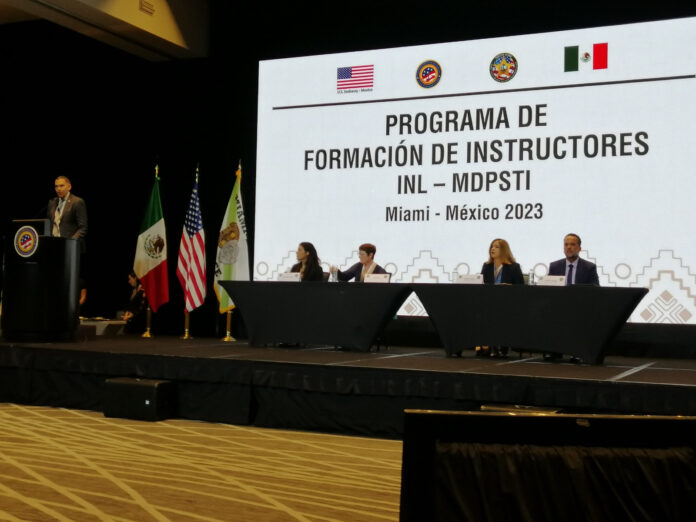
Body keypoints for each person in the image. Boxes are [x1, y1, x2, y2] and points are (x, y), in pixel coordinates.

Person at [544, 233, 600, 363]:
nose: (569, 247)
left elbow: (595, 288)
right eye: (566, 244)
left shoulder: (589, 267)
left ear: (579, 248)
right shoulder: (554, 266)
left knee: (579, 315)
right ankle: (553, 350)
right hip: (559, 304)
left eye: (572, 244)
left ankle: (577, 352)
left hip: (579, 305)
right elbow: (549, 287)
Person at [479, 238, 524, 357]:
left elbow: (521, 289)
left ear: (504, 250)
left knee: (501, 313)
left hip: (508, 304)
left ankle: (500, 345)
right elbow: (481, 285)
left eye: (496, 247)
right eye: (492, 246)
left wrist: (509, 287)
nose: (492, 249)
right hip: (489, 303)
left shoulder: (514, 267)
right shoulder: (487, 266)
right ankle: (489, 345)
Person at [47, 176, 88, 250]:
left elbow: (83, 228)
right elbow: (49, 225)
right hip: (54, 246)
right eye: (56, 186)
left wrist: (70, 242)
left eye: (62, 186)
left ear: (69, 187)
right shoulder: (52, 203)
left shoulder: (77, 202)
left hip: (71, 248)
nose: (58, 189)